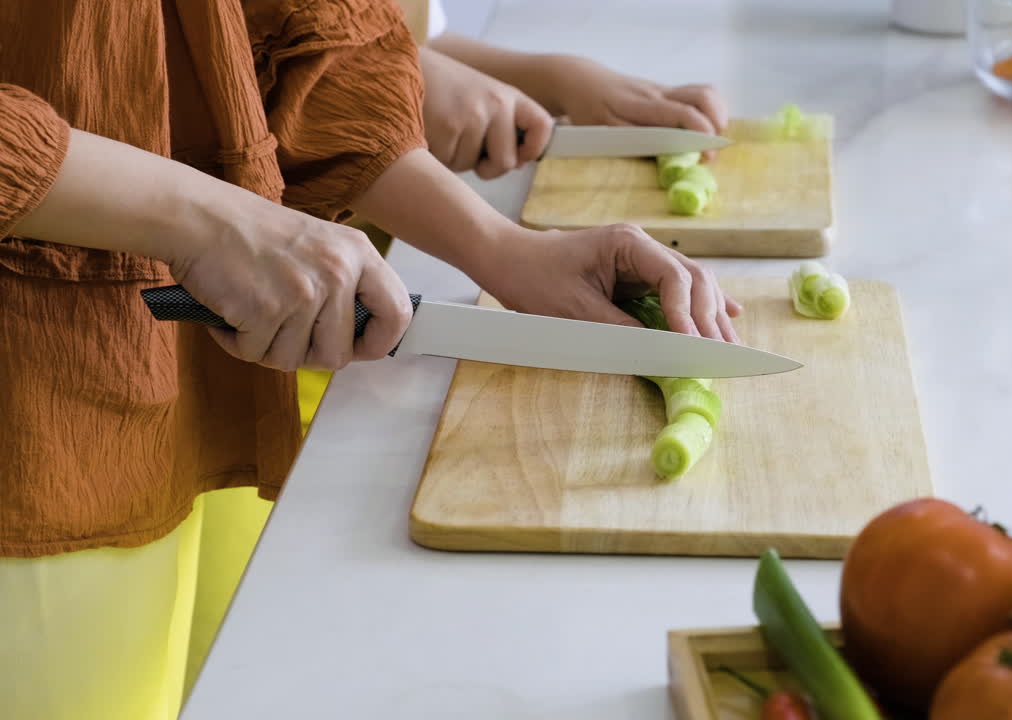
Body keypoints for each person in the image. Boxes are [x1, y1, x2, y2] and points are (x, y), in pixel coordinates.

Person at [0, 1, 738, 718]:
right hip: (37, 416)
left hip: (212, 387)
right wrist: (211, 221)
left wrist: (502, 249)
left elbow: (287, 23)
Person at [295, 0, 730, 432]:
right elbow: (287, 62)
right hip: (295, 334)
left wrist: (556, 78)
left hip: (353, 278)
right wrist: (499, 247)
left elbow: (376, 31)